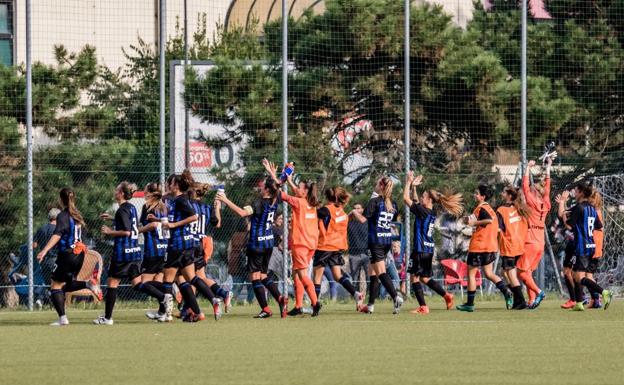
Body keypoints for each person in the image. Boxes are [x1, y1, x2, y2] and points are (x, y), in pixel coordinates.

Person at [216, 174, 288, 318]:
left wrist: (225, 200)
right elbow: (278, 187)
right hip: (269, 243)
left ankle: (266, 309)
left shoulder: (258, 203)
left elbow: (242, 213)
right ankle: (280, 299)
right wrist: (274, 174)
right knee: (263, 275)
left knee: (255, 278)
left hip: (257, 244)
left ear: (267, 189)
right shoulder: (275, 201)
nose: (260, 188)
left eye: (263, 186)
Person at [159, 171, 221, 323]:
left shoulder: (181, 200)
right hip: (189, 244)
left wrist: (173, 224)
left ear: (177, 186)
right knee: (191, 278)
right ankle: (213, 300)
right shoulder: (178, 200)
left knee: (167, 280)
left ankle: (165, 314)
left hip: (178, 244)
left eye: (171, 183)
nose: (168, 186)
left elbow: (193, 216)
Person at [263, 159, 322, 317]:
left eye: (300, 187)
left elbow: (279, 193)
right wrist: (288, 177)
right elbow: (294, 189)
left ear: (305, 192)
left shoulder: (299, 202)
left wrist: (273, 175)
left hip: (301, 243)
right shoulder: (311, 202)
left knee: (302, 275)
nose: (297, 188)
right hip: (311, 244)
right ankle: (298, 305)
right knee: (296, 273)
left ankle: (316, 303)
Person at [36, 188, 102, 326]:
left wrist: (44, 250)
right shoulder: (77, 214)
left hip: (67, 255)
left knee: (55, 285)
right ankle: (87, 284)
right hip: (79, 255)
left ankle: (63, 319)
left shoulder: (63, 216)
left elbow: (57, 234)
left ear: (61, 200)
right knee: (66, 283)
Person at [403, 172, 462, 314]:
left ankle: (423, 307)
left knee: (414, 278)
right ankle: (447, 295)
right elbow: (416, 202)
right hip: (428, 250)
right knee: (424, 278)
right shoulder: (429, 212)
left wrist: (408, 182)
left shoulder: (422, 211)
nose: (421, 198)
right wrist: (415, 189)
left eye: (424, 196)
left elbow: (405, 198)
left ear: (429, 200)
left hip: (420, 249)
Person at [94, 182, 145, 325]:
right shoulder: (131, 207)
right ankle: (163, 295)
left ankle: (108, 318)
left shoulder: (122, 210)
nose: (114, 192)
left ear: (121, 193)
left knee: (112, 282)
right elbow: (129, 223)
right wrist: (112, 218)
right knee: (137, 283)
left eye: (117, 190)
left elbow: (127, 231)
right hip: (134, 252)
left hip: (122, 253)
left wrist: (110, 232)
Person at [351, 176, 404, 314]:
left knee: (381, 272)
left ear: (380, 186)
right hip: (386, 240)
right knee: (372, 272)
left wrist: (353, 213)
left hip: (376, 242)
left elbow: (363, 219)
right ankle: (370, 305)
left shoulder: (374, 202)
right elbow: (393, 220)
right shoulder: (393, 204)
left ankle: (396, 297)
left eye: (377, 183)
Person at [457, 184, 513, 312]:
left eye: (477, 193)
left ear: (482, 197)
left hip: (478, 246)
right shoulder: (489, 208)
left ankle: (470, 304)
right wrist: (468, 221)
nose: (474, 195)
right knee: (489, 274)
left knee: (471, 274)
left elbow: (487, 220)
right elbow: (483, 220)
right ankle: (506, 291)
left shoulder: (481, 207)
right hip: (490, 246)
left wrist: (473, 223)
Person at [564, 182, 612, 311]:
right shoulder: (592, 208)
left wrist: (565, 218)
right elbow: (599, 226)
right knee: (575, 274)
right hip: (591, 245)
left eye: (575, 191)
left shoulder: (580, 208)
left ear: (580, 192)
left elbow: (569, 225)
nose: (574, 193)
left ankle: (604, 292)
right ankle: (579, 303)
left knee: (580, 277)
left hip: (582, 246)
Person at [312, 187, 363, 307]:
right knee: (337, 275)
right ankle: (356, 294)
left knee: (317, 277)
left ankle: (314, 305)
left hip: (325, 246)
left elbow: (313, 216)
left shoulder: (325, 210)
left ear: (326, 197)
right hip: (337, 247)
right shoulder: (342, 211)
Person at [186, 182, 232, 315]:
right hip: (201, 243)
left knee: (187, 277)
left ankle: (189, 308)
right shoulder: (206, 207)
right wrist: (217, 207)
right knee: (199, 277)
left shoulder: (188, 204)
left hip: (190, 243)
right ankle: (223, 294)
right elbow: (217, 223)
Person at [136, 182, 174, 322]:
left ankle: (166, 296)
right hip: (164, 249)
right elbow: (166, 226)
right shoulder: (165, 207)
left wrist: (136, 231)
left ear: (149, 192)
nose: (144, 193)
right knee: (158, 279)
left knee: (144, 284)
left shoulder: (148, 206)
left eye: (145, 190)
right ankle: (163, 312)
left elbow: (147, 225)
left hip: (152, 250)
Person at [518, 159, 552, 309]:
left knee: (521, 273)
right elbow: (548, 187)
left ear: (536, 192)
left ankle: (539, 292)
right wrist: (548, 167)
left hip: (531, 242)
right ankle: (531, 301)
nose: (530, 190)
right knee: (528, 272)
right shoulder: (547, 203)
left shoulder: (533, 202)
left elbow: (524, 186)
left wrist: (528, 168)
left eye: (533, 189)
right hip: (540, 243)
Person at [496, 185, 530, 310]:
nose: (502, 193)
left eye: (504, 192)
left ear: (509, 195)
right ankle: (517, 299)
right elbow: (528, 226)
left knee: (510, 273)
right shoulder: (521, 208)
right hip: (519, 245)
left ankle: (520, 301)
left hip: (509, 245)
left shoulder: (502, 210)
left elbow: (499, 228)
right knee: (504, 272)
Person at [555, 189, 578, 309]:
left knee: (569, 272)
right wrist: (562, 203)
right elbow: (562, 214)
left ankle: (575, 299)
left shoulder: (578, 206)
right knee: (573, 272)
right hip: (574, 243)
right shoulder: (579, 206)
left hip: (575, 243)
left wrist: (563, 202)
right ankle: (579, 297)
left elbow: (566, 220)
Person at [586, 187, 604, 308]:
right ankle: (594, 299)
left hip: (593, 248)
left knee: (588, 276)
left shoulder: (594, 213)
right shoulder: (597, 211)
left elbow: (599, 229)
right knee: (587, 275)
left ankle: (597, 299)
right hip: (595, 247)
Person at [34, 208, 61, 284]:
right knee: (57, 284)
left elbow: (34, 245)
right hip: (56, 260)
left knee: (48, 285)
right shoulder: (59, 229)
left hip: (44, 260)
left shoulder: (41, 228)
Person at [347, 203, 369, 292]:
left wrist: (354, 212)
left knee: (369, 278)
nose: (356, 210)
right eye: (354, 209)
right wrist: (352, 212)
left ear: (362, 210)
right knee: (355, 280)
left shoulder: (366, 221)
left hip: (366, 253)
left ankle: (370, 296)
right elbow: (343, 219)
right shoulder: (349, 223)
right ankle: (356, 296)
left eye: (358, 208)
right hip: (353, 254)